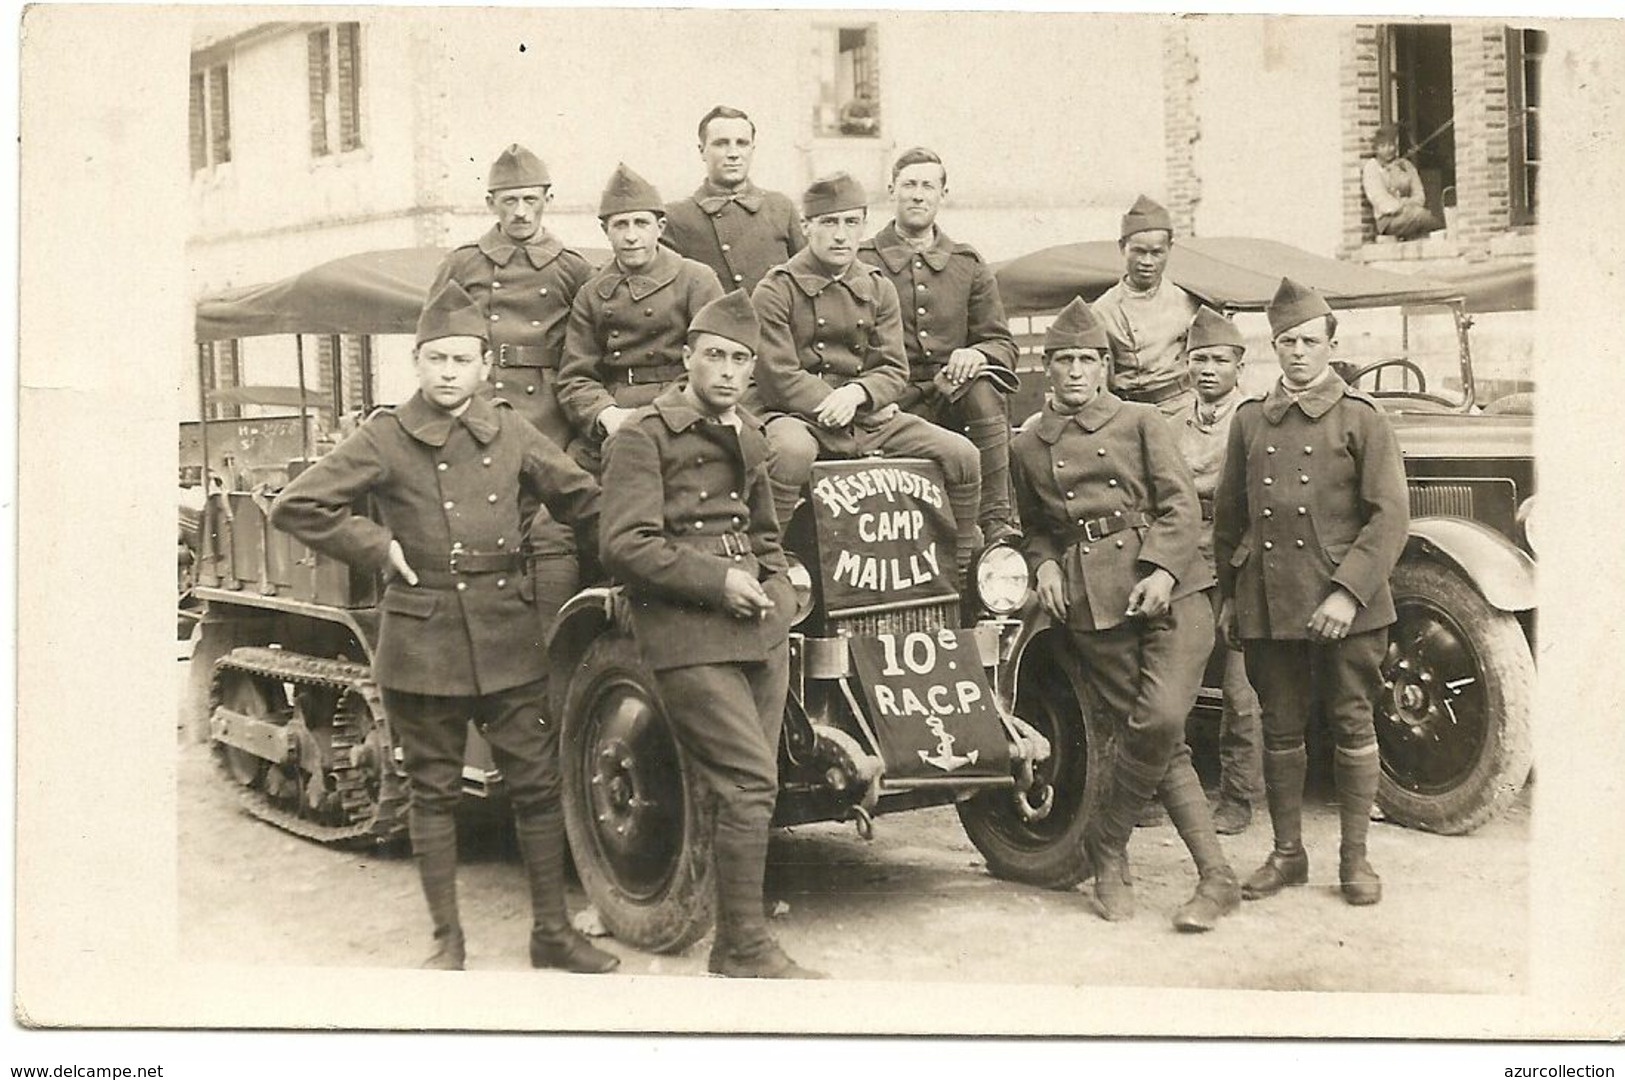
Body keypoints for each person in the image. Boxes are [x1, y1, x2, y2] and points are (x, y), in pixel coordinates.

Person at [270, 280, 619, 973]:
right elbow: (299, 505)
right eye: (436, 360)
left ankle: (551, 933)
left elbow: (584, 501)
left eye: (462, 360)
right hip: (423, 638)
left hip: (507, 634)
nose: (449, 373)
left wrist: (638, 540)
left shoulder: (513, 429)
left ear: (484, 366)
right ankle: (447, 943)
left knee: (536, 785)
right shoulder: (386, 437)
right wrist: (376, 547)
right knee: (430, 791)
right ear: (418, 364)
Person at [600, 290, 825, 979]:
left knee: (752, 786)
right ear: (687, 357)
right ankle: (744, 947)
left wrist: (780, 586)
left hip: (757, 628)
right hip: (686, 630)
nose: (726, 371)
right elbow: (625, 545)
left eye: (739, 360)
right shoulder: (644, 433)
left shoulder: (749, 432)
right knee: (750, 782)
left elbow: (764, 533)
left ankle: (736, 942)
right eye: (715, 356)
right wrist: (715, 581)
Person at [1010, 296, 1240, 932]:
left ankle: (1106, 846)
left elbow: (1179, 505)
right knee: (1157, 742)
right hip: (1093, 604)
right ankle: (1214, 878)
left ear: (1105, 365)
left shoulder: (1142, 421)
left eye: (1088, 360)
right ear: (1047, 368)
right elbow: (1034, 529)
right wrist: (1047, 566)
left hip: (1174, 586)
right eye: (1064, 361)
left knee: (1161, 718)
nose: (1076, 372)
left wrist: (1163, 570)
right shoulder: (1030, 444)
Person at [1214, 278, 1410, 907]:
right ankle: (1287, 854)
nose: (1296, 352)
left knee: (1352, 724)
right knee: (1280, 728)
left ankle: (1355, 861)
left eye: (1307, 341)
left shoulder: (1362, 418)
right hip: (1269, 603)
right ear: (1272, 347)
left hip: (1345, 606)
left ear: (1331, 343)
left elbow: (1389, 518)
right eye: (1285, 342)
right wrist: (1229, 598)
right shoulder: (1249, 421)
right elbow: (1230, 519)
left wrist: (1347, 594)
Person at [751, 171, 982, 578]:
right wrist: (835, 402)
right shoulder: (776, 289)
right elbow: (777, 374)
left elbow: (894, 369)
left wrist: (857, 395)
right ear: (806, 227)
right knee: (791, 453)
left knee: (962, 455)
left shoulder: (877, 287)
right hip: (794, 414)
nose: (841, 235)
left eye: (851, 222)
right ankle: (766, 566)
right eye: (829, 223)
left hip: (864, 415)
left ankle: (961, 573)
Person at [429, 143, 596, 640]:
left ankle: (553, 651)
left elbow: (589, 348)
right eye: (509, 201)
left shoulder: (572, 268)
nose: (520, 212)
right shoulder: (464, 265)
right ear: (490, 204)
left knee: (552, 530)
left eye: (530, 199)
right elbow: (434, 341)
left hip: (550, 417)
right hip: (482, 412)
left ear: (547, 198)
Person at [857, 147, 1022, 543]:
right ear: (891, 190)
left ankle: (996, 521)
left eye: (928, 185)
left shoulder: (967, 263)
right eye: (909, 184)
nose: (917, 194)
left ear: (942, 194)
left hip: (953, 400)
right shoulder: (862, 260)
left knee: (984, 389)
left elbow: (1001, 342)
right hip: (890, 397)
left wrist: (977, 353)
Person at [558, 163, 724, 473]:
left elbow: (715, 360)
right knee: (568, 489)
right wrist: (607, 414)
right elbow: (576, 377)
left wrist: (674, 411)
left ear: (660, 227)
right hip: (617, 412)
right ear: (605, 230)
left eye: (641, 223)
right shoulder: (592, 292)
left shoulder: (695, 279)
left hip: (685, 408)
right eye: (621, 225)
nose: (632, 236)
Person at [1176, 307, 1264, 834]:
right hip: (1187, 561)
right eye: (1198, 359)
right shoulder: (1169, 424)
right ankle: (1166, 787)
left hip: (1239, 564)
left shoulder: (1255, 420)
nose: (1207, 369)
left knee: (1240, 689)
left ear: (1239, 366)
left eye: (1219, 360)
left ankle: (1237, 796)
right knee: (1176, 681)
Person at [662, 105, 805, 294]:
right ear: (702, 151)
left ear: (752, 149)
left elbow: (805, 277)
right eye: (721, 143)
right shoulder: (677, 216)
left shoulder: (780, 207)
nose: (733, 154)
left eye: (742, 143)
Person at [1092, 195, 1202, 420]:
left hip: (1181, 408)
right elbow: (1100, 378)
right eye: (1139, 252)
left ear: (1169, 249)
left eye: (1156, 253)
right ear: (1123, 248)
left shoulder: (1188, 301)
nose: (1147, 262)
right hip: (1125, 412)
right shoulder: (1103, 310)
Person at [1361, 124, 1442, 240]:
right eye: (1383, 146)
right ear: (1376, 149)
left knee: (1423, 217)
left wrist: (1409, 203)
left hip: (1412, 213)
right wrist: (1402, 206)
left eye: (1391, 145)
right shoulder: (1372, 168)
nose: (1388, 149)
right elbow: (1380, 199)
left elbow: (1420, 195)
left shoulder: (1406, 165)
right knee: (1422, 216)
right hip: (1388, 221)